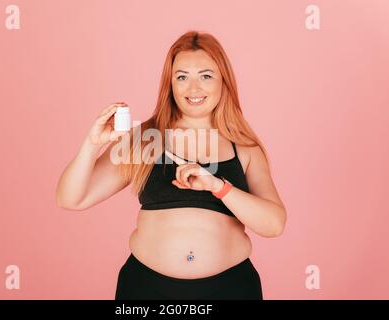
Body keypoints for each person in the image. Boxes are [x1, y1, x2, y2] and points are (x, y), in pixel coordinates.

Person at [56, 31, 287, 300]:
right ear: (170, 85)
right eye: (182, 77)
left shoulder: (244, 146)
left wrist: (218, 187)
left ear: (224, 81)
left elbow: (274, 224)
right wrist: (92, 144)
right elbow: (70, 198)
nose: (193, 89)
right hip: (147, 291)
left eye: (206, 75)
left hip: (231, 289)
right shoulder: (146, 139)